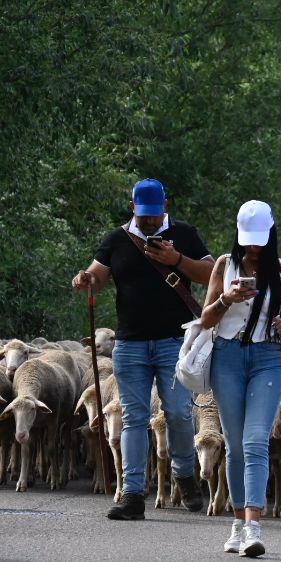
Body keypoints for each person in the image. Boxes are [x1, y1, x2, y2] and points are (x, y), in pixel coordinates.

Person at [72, 178, 214, 520]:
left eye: (155, 215)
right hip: (130, 343)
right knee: (134, 417)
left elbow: (211, 273)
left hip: (173, 342)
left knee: (178, 412)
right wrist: (86, 280)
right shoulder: (118, 238)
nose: (149, 222)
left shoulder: (184, 234)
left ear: (165, 206)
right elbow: (98, 275)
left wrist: (176, 258)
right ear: (134, 207)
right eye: (143, 215)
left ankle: (184, 473)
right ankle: (132, 494)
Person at [199, 200, 281, 557]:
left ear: (271, 234)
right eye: (247, 240)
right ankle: (238, 522)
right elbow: (206, 319)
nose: (253, 248)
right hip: (227, 357)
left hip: (267, 358)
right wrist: (226, 299)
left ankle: (255, 527)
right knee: (235, 443)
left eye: (259, 240)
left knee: (257, 440)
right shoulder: (225, 266)